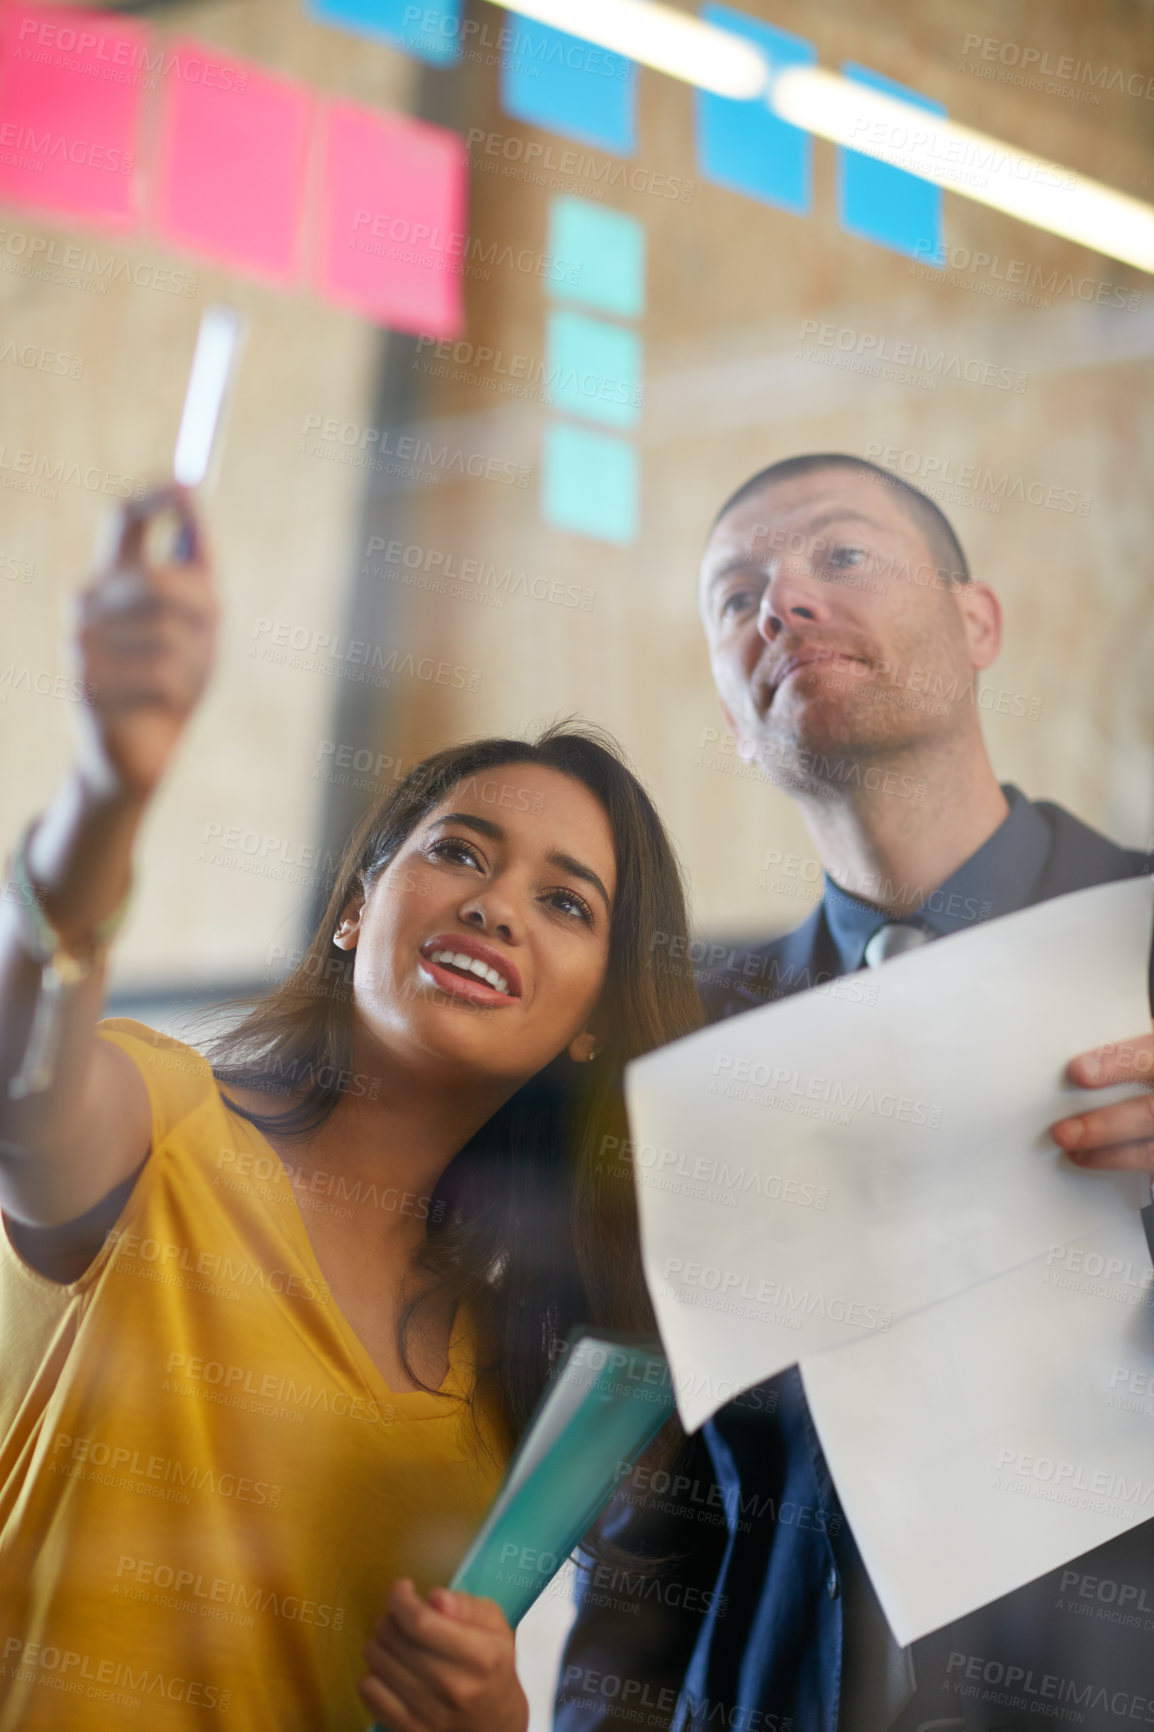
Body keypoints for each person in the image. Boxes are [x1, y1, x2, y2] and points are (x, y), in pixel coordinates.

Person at [0, 488, 700, 1732]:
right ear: (352, 906)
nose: (494, 906)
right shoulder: (166, 1120)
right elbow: (22, 1084)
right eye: (460, 851)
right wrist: (108, 790)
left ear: (592, 1018)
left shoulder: (516, 1377)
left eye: (567, 903)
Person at [556, 453, 1154, 1732]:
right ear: (728, 715)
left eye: (840, 555)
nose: (781, 604)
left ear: (974, 619)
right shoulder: (681, 1063)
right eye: (734, 597)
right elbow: (650, 1523)